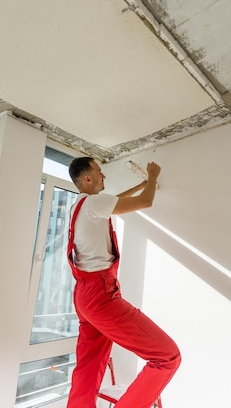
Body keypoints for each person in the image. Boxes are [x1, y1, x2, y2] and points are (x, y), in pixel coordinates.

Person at [66, 157, 181, 408]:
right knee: (167, 356)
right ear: (88, 178)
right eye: (99, 172)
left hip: (83, 296)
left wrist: (140, 184)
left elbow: (115, 199)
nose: (103, 176)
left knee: (88, 367)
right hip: (100, 296)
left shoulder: (79, 205)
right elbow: (146, 202)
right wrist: (152, 177)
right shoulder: (94, 203)